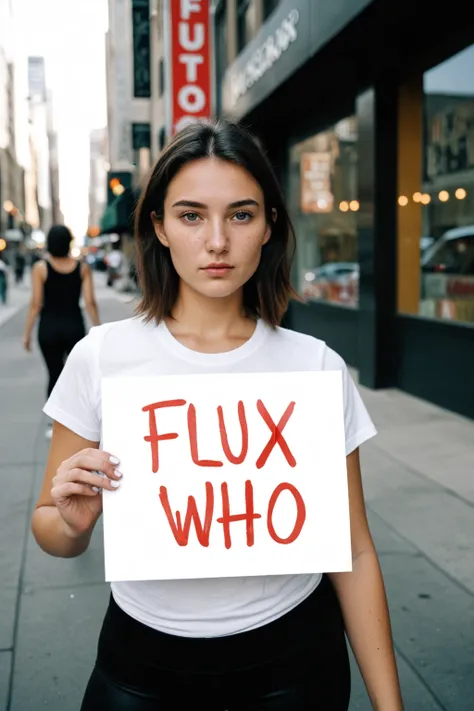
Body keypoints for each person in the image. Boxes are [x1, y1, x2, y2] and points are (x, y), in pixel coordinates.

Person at [31, 121, 403, 710]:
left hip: (296, 664)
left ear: (269, 226)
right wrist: (73, 523)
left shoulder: (314, 368)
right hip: (142, 667)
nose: (216, 242)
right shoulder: (100, 357)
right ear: (158, 227)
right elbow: (52, 527)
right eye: (190, 215)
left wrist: (390, 706)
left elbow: (352, 549)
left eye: (240, 214)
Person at [23, 225, 100, 439]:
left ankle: (54, 425)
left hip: (48, 328)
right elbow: (90, 302)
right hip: (74, 326)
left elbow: (36, 304)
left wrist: (27, 333)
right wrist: (99, 329)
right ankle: (80, 423)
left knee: (54, 373)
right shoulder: (82, 268)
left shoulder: (40, 268)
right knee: (77, 376)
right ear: (68, 242)